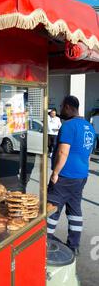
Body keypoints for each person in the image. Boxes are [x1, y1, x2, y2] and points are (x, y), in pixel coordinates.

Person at [47, 96, 96, 256]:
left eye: (61, 106)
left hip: (65, 176)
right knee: (75, 210)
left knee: (52, 208)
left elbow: (63, 152)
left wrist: (55, 173)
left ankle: (44, 241)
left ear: (68, 107)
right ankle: (74, 245)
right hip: (81, 176)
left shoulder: (68, 126)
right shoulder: (89, 126)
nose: (60, 109)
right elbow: (88, 153)